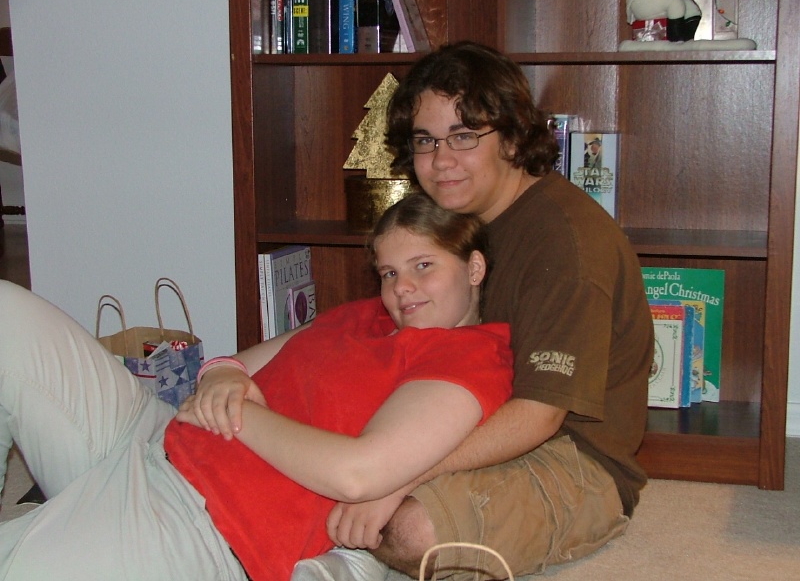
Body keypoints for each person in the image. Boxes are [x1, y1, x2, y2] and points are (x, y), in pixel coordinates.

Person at [0, 193, 514, 581]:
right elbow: (234, 365)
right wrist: (222, 375)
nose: (401, 288)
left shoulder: (470, 359)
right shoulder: (366, 316)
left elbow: (357, 474)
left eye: (423, 266)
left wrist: (238, 414)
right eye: (388, 272)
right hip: (153, 441)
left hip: (207, 525)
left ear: (473, 267)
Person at [315, 41, 655, 580]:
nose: (440, 160)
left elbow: (539, 416)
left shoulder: (566, 245)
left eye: (464, 136)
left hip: (571, 457)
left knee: (409, 529)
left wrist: (398, 476)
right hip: (465, 411)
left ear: (513, 139)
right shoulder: (458, 223)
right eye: (425, 140)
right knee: (325, 460)